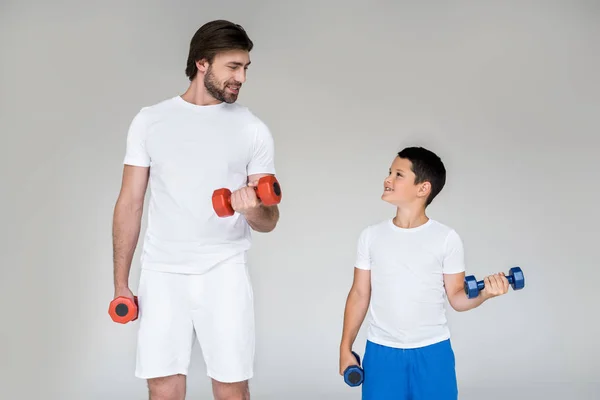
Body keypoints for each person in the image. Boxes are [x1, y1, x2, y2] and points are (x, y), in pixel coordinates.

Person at [111, 20, 279, 400]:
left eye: (245, 68)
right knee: (164, 388)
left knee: (232, 387)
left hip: (224, 269)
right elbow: (130, 203)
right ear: (202, 63)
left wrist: (252, 210)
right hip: (162, 271)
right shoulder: (150, 121)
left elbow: (268, 219)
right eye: (233, 67)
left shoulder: (253, 130)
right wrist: (121, 282)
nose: (242, 78)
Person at [338, 146, 510, 400]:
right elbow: (359, 294)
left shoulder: (446, 239)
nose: (388, 179)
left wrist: (485, 293)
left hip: (433, 353)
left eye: (399, 174)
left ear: (423, 188)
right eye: (389, 172)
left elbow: (457, 298)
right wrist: (345, 347)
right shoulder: (371, 236)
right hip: (382, 352)